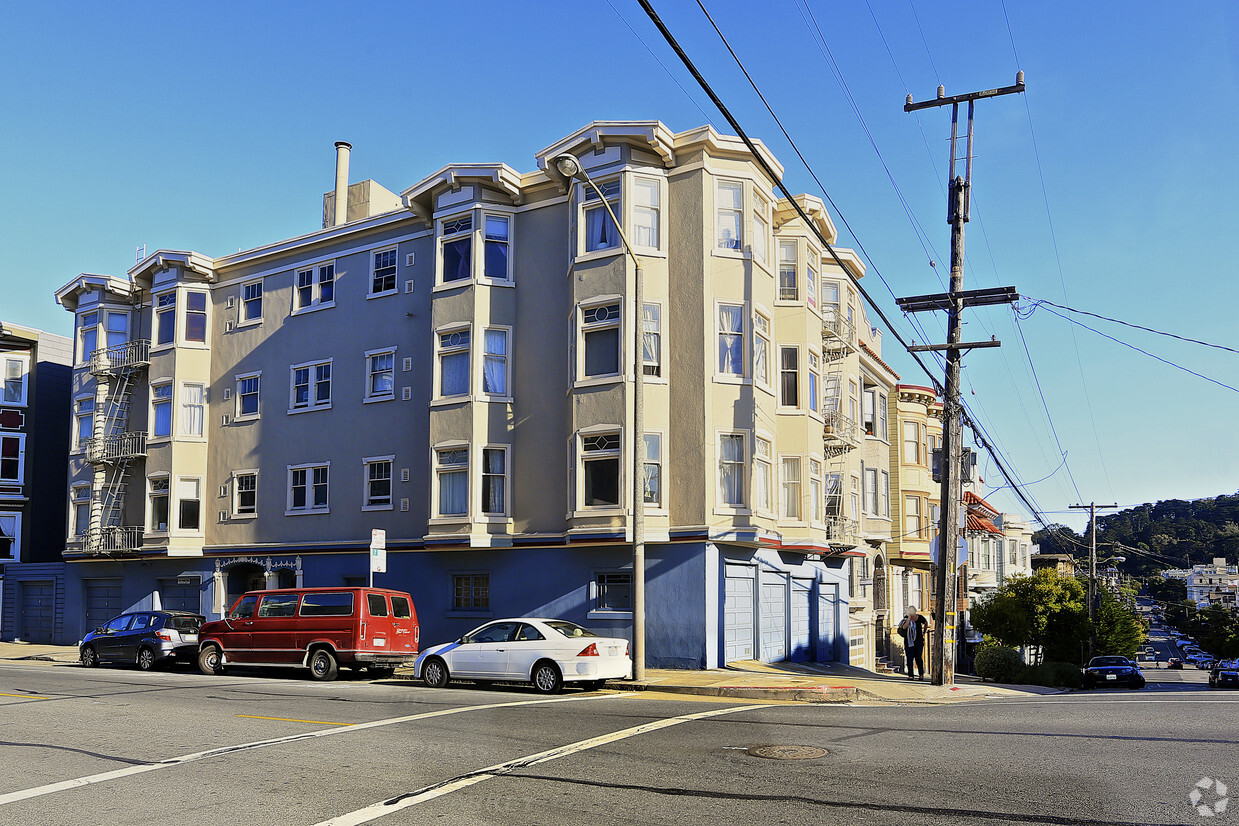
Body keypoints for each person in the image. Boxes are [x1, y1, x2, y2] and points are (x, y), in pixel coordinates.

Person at [897, 605, 929, 681]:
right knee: (910, 658)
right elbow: (904, 627)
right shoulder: (906, 619)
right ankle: (910, 675)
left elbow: (926, 623)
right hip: (909, 641)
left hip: (918, 641)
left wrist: (924, 632)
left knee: (918, 658)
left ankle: (921, 674)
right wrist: (909, 618)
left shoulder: (920, 617)